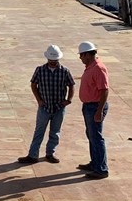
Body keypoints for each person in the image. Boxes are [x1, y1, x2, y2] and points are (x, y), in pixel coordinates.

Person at [18, 45, 75, 164]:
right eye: (51, 60)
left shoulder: (65, 71)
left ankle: (50, 153)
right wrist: (39, 100)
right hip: (44, 107)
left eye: (55, 61)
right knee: (39, 131)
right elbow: (33, 85)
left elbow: (71, 85)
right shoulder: (40, 70)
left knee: (55, 132)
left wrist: (68, 100)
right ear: (47, 59)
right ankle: (33, 155)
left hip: (59, 107)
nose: (53, 62)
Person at [76, 41, 110, 178]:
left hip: (94, 106)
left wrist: (99, 111)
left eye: (81, 55)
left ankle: (101, 169)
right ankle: (95, 163)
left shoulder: (98, 68)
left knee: (96, 137)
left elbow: (104, 90)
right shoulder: (91, 66)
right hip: (89, 106)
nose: (80, 58)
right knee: (91, 135)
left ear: (87, 55)